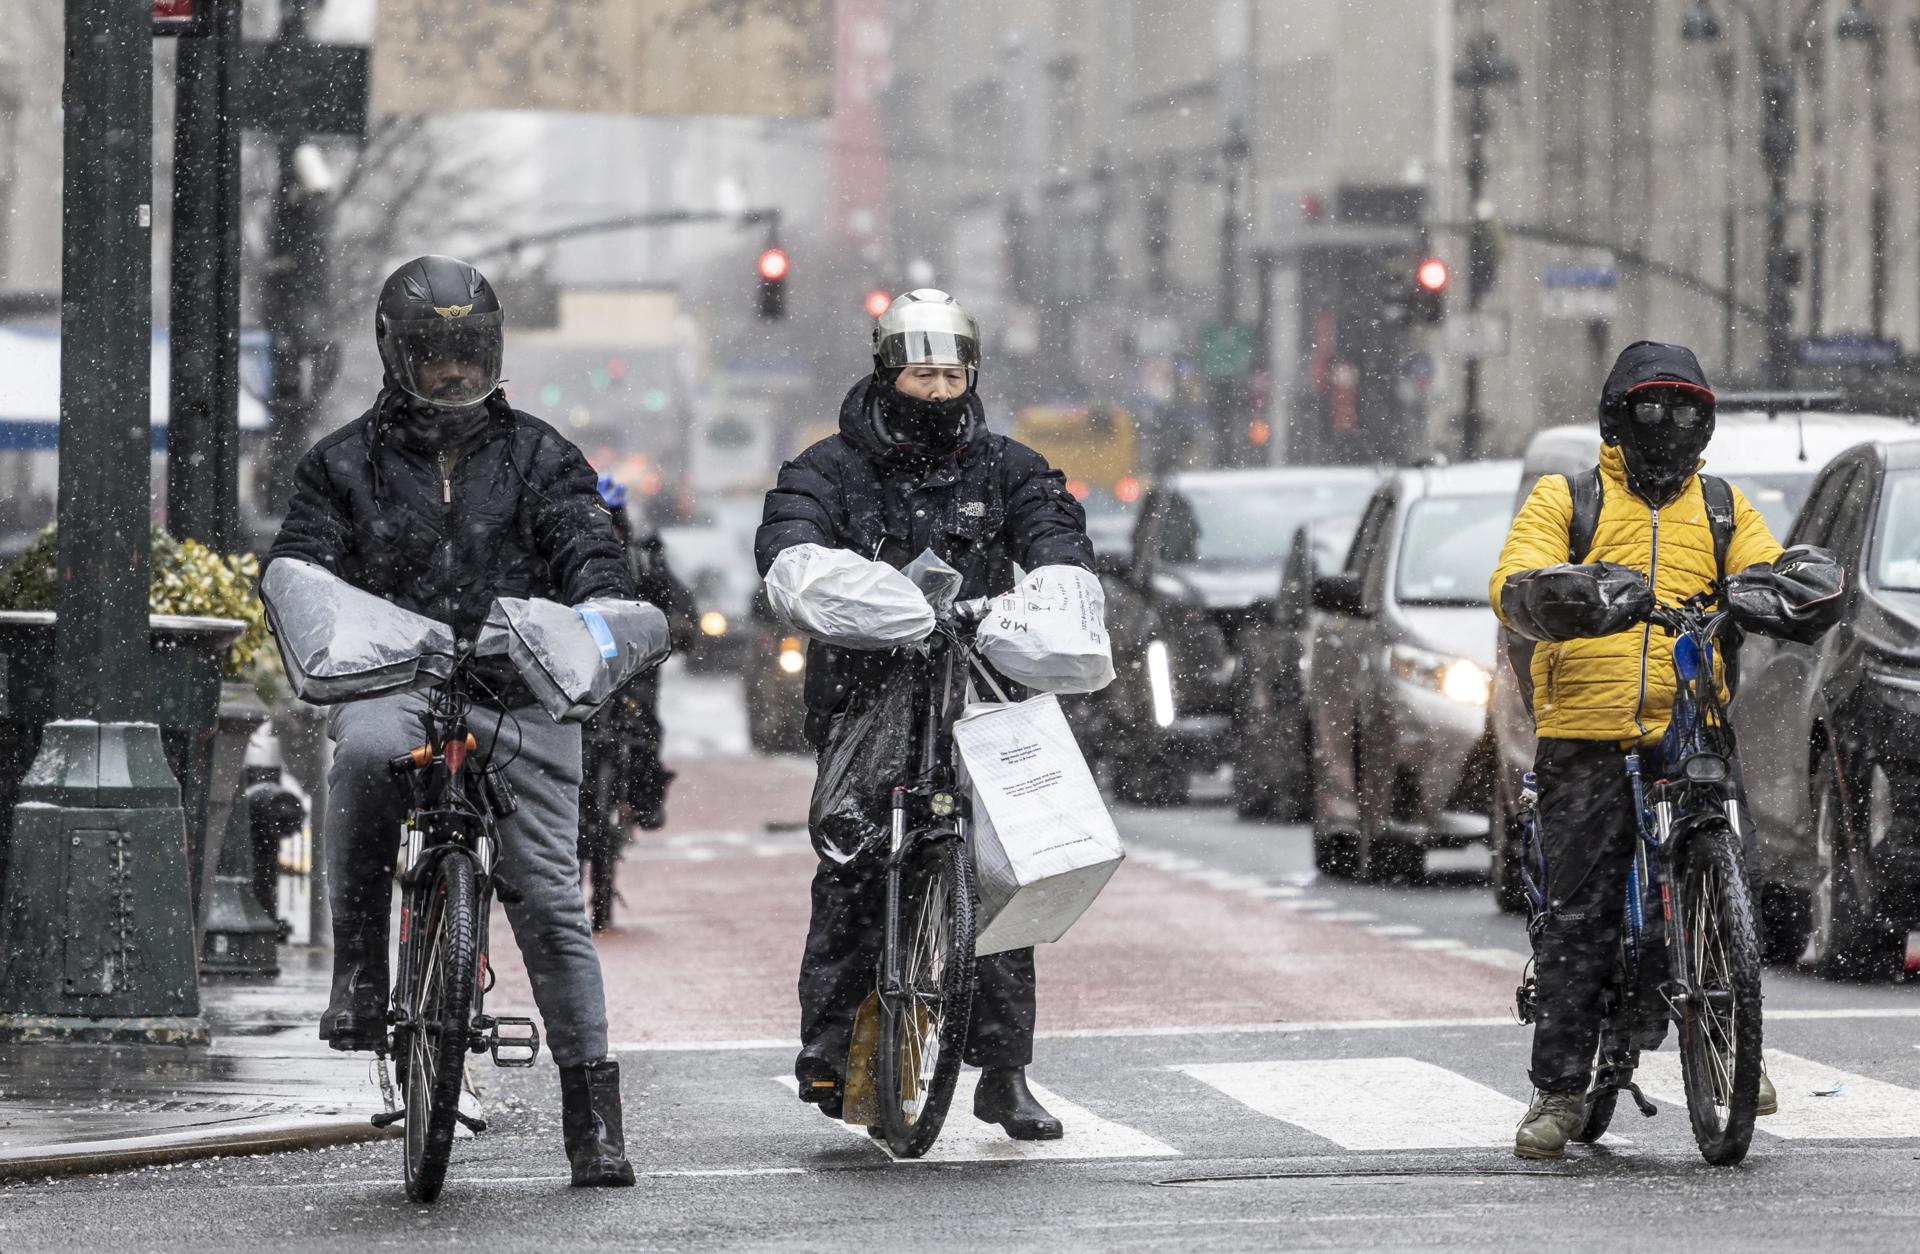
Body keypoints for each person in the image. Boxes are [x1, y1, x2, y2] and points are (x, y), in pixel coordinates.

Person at [268, 255, 638, 1187]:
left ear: (497, 350)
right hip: (399, 681)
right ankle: (359, 973)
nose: (454, 371)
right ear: (395, 354)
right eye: (434, 353)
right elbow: (303, 567)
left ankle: (594, 1119)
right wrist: (329, 622)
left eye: (471, 351)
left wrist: (595, 611)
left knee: (552, 901)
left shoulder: (545, 455)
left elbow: (590, 545)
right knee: (363, 758)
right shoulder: (337, 463)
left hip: (519, 689)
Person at [1491, 340, 1844, 1160]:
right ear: (1618, 418)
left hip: (1690, 728)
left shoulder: (1722, 507)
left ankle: (1733, 1034)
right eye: (1652, 408)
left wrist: (1790, 587)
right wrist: (1575, 591)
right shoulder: (1566, 497)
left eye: (1687, 411)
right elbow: (1516, 581)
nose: (1670, 425)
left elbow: (1765, 569)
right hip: (1585, 736)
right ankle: (1557, 1089)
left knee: (1736, 872)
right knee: (1580, 918)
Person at [754, 289, 1094, 1140]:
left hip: (981, 692)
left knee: (999, 865)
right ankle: (828, 1046)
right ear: (886, 372)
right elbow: (789, 545)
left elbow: (1056, 534)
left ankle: (1004, 1074)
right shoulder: (828, 468)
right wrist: (870, 602)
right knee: (856, 860)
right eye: (921, 373)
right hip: (867, 694)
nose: (939, 391)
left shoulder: (1009, 467)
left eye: (952, 374)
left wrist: (1053, 587)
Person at [577, 473, 696, 927]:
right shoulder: (569, 559)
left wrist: (680, 627)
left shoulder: (645, 561)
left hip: (632, 675)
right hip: (584, 674)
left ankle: (644, 803)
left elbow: (682, 606)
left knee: (643, 733)